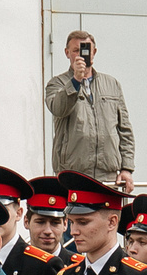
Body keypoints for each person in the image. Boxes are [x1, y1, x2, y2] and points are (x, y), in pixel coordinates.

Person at [44, 29, 134, 190]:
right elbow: (58, 109)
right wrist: (76, 81)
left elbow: (124, 129)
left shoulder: (112, 84)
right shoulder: (57, 83)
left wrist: (127, 168)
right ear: (67, 53)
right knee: (77, 216)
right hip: (72, 175)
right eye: (75, 50)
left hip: (108, 176)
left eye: (85, 50)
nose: (80, 54)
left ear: (94, 52)